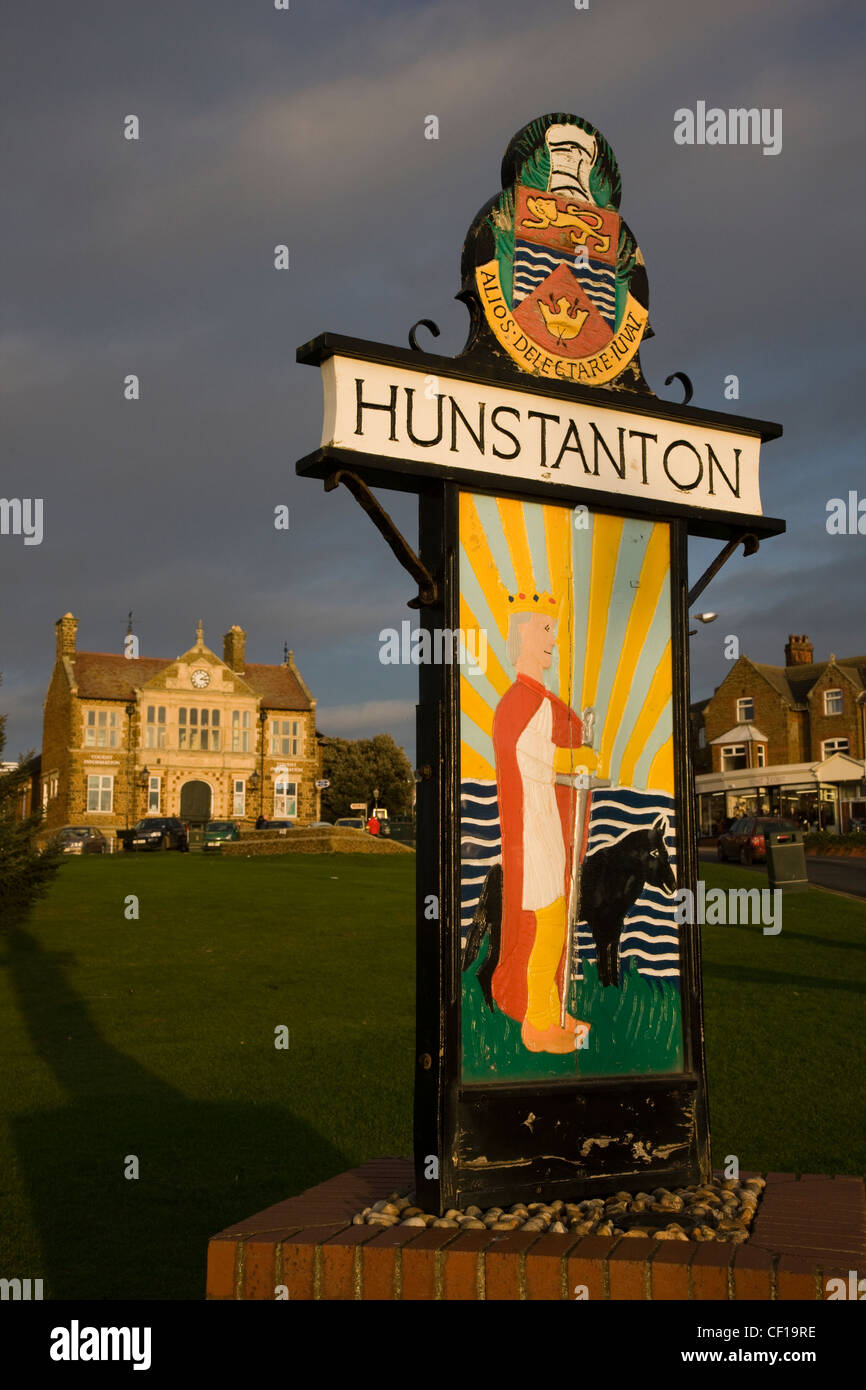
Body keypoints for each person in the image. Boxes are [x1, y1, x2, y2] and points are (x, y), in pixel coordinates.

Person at [492, 593, 597, 1055]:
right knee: (544, 924)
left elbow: (552, 752)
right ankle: (536, 1025)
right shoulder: (519, 702)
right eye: (545, 629)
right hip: (531, 828)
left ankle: (551, 1010)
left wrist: (567, 777)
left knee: (553, 920)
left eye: (554, 628)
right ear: (522, 635)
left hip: (545, 823)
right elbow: (524, 767)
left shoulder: (537, 700)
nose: (553, 638)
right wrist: (564, 776)